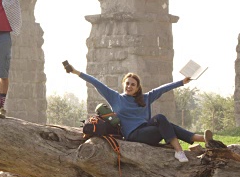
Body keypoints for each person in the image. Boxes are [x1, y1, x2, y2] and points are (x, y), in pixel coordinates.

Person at [63, 61, 216, 162]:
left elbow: (164, 88)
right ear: (124, 84)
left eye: (133, 85)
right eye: (127, 83)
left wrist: (182, 82)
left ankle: (203, 139)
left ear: (137, 88)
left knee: (163, 121)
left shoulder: (145, 98)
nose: (129, 86)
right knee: (163, 121)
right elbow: (95, 82)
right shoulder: (115, 98)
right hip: (134, 135)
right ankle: (180, 149)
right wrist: (75, 71)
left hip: (148, 131)